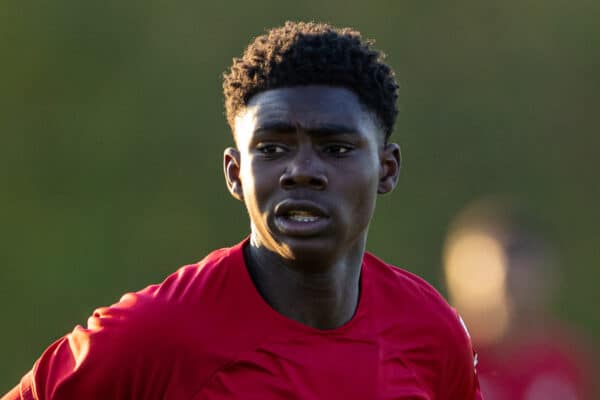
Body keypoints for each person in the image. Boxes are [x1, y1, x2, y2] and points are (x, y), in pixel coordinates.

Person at [3, 21, 481, 399]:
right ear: (235, 173)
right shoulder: (153, 336)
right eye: (272, 149)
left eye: (335, 148)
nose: (301, 171)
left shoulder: (431, 334)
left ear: (387, 168)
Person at [442, 197, 597, 399]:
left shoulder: (571, 361)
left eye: (518, 259)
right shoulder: (444, 355)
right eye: (483, 265)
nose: (504, 277)